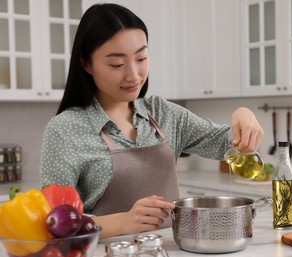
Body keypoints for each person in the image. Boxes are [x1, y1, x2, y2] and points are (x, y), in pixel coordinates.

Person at [39, 3, 264, 239]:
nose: (133, 75)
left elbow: (227, 144)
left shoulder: (163, 113)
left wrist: (243, 115)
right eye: (117, 64)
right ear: (86, 64)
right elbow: (54, 222)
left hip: (172, 253)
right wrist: (122, 222)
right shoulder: (65, 129)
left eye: (141, 58)